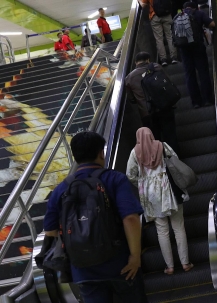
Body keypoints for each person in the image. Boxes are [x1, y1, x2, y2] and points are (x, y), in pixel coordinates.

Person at [43, 131, 148, 303]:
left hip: (83, 271)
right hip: (121, 266)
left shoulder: (61, 189)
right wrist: (135, 256)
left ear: (75, 156)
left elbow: (50, 231)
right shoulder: (115, 179)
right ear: (101, 153)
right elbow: (130, 218)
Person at [126, 127, 194, 274]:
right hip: (168, 189)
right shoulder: (162, 146)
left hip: (151, 194)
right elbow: (175, 161)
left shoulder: (134, 153)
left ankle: (169, 267)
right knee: (178, 227)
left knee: (162, 231)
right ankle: (185, 263)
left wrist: (142, 183)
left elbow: (130, 174)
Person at [125, 52, 180, 153]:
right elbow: (167, 82)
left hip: (147, 114)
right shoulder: (156, 67)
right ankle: (175, 159)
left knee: (155, 139)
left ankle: (160, 163)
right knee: (170, 135)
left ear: (136, 62)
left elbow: (131, 99)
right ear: (148, 60)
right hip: (164, 107)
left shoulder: (129, 78)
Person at [176, 2, 215, 108]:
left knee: (189, 75)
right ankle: (207, 99)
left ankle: (196, 102)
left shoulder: (177, 17)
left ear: (183, 9)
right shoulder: (199, 13)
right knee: (203, 73)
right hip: (198, 47)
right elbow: (212, 24)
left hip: (184, 49)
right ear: (195, 7)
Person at [138, 0, 178, 66]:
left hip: (154, 16)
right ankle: (174, 57)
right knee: (170, 36)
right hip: (167, 15)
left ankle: (163, 60)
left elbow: (143, 5)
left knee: (159, 39)